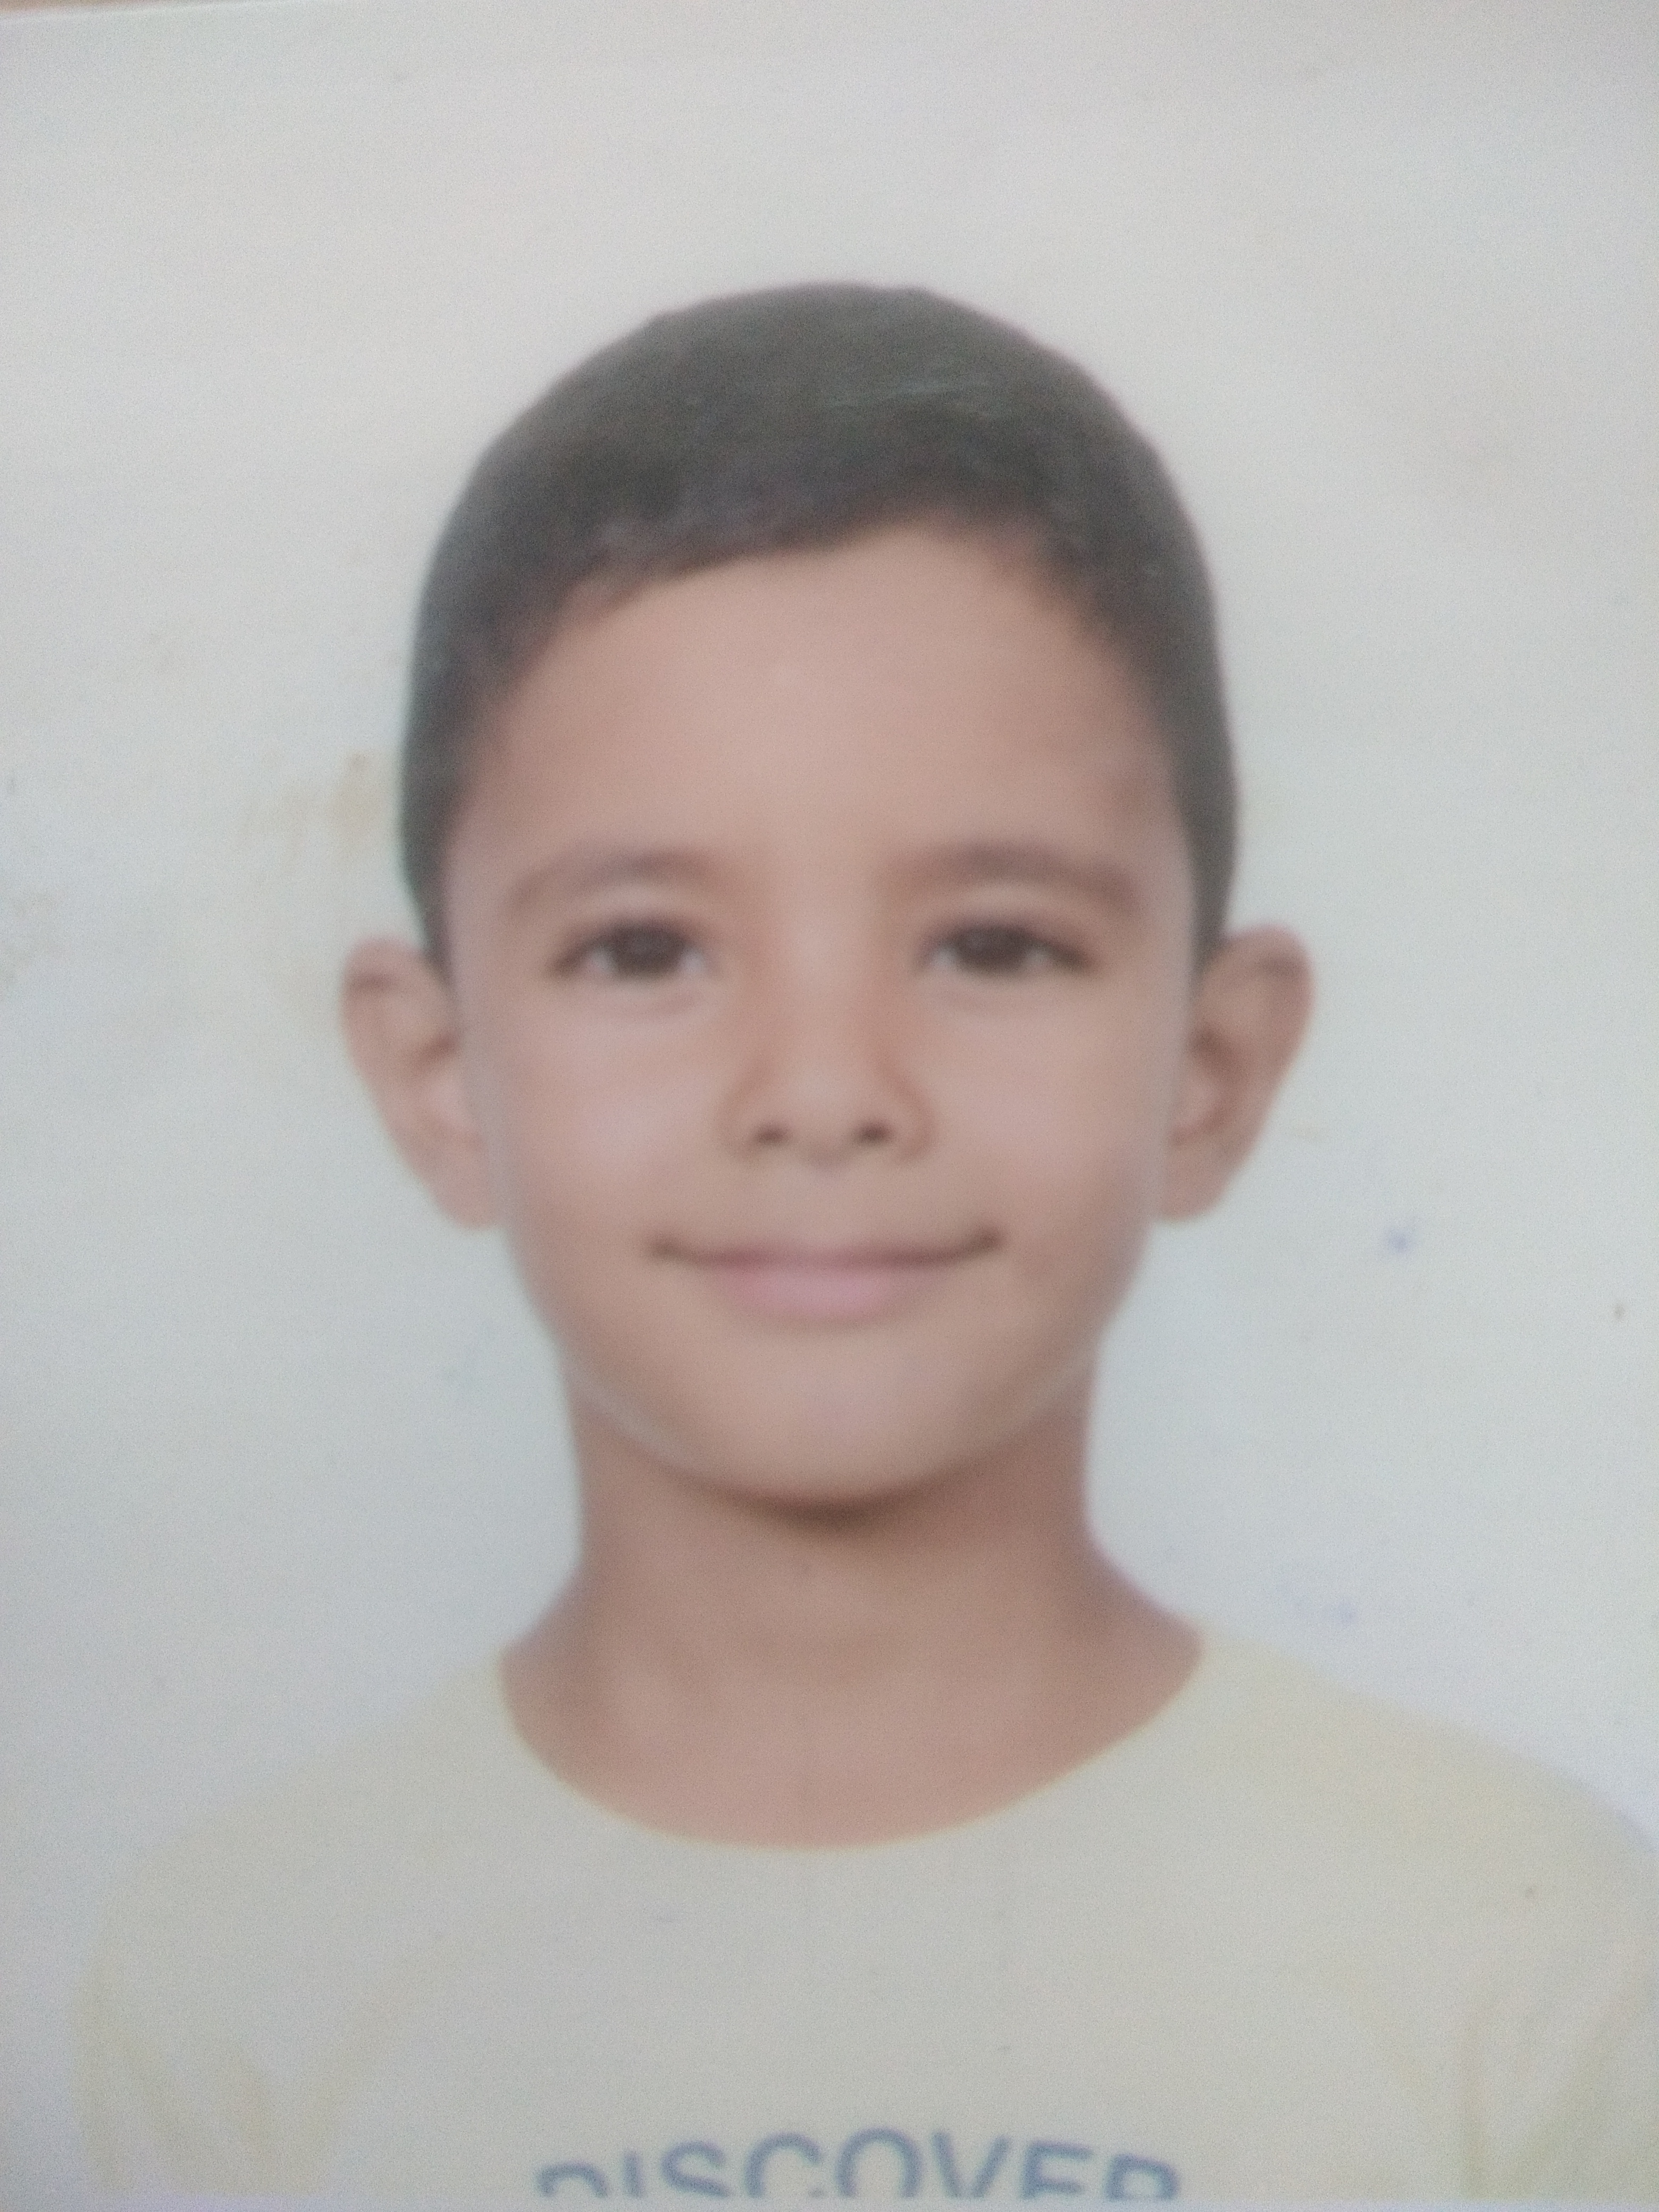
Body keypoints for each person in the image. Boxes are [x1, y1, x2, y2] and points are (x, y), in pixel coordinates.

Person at [77, 285, 1657, 2198]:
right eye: (642, 950)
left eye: (995, 944)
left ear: (1212, 1070)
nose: (824, 1091)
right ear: (438, 1078)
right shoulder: (238, 1991)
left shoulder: (1524, 1961)